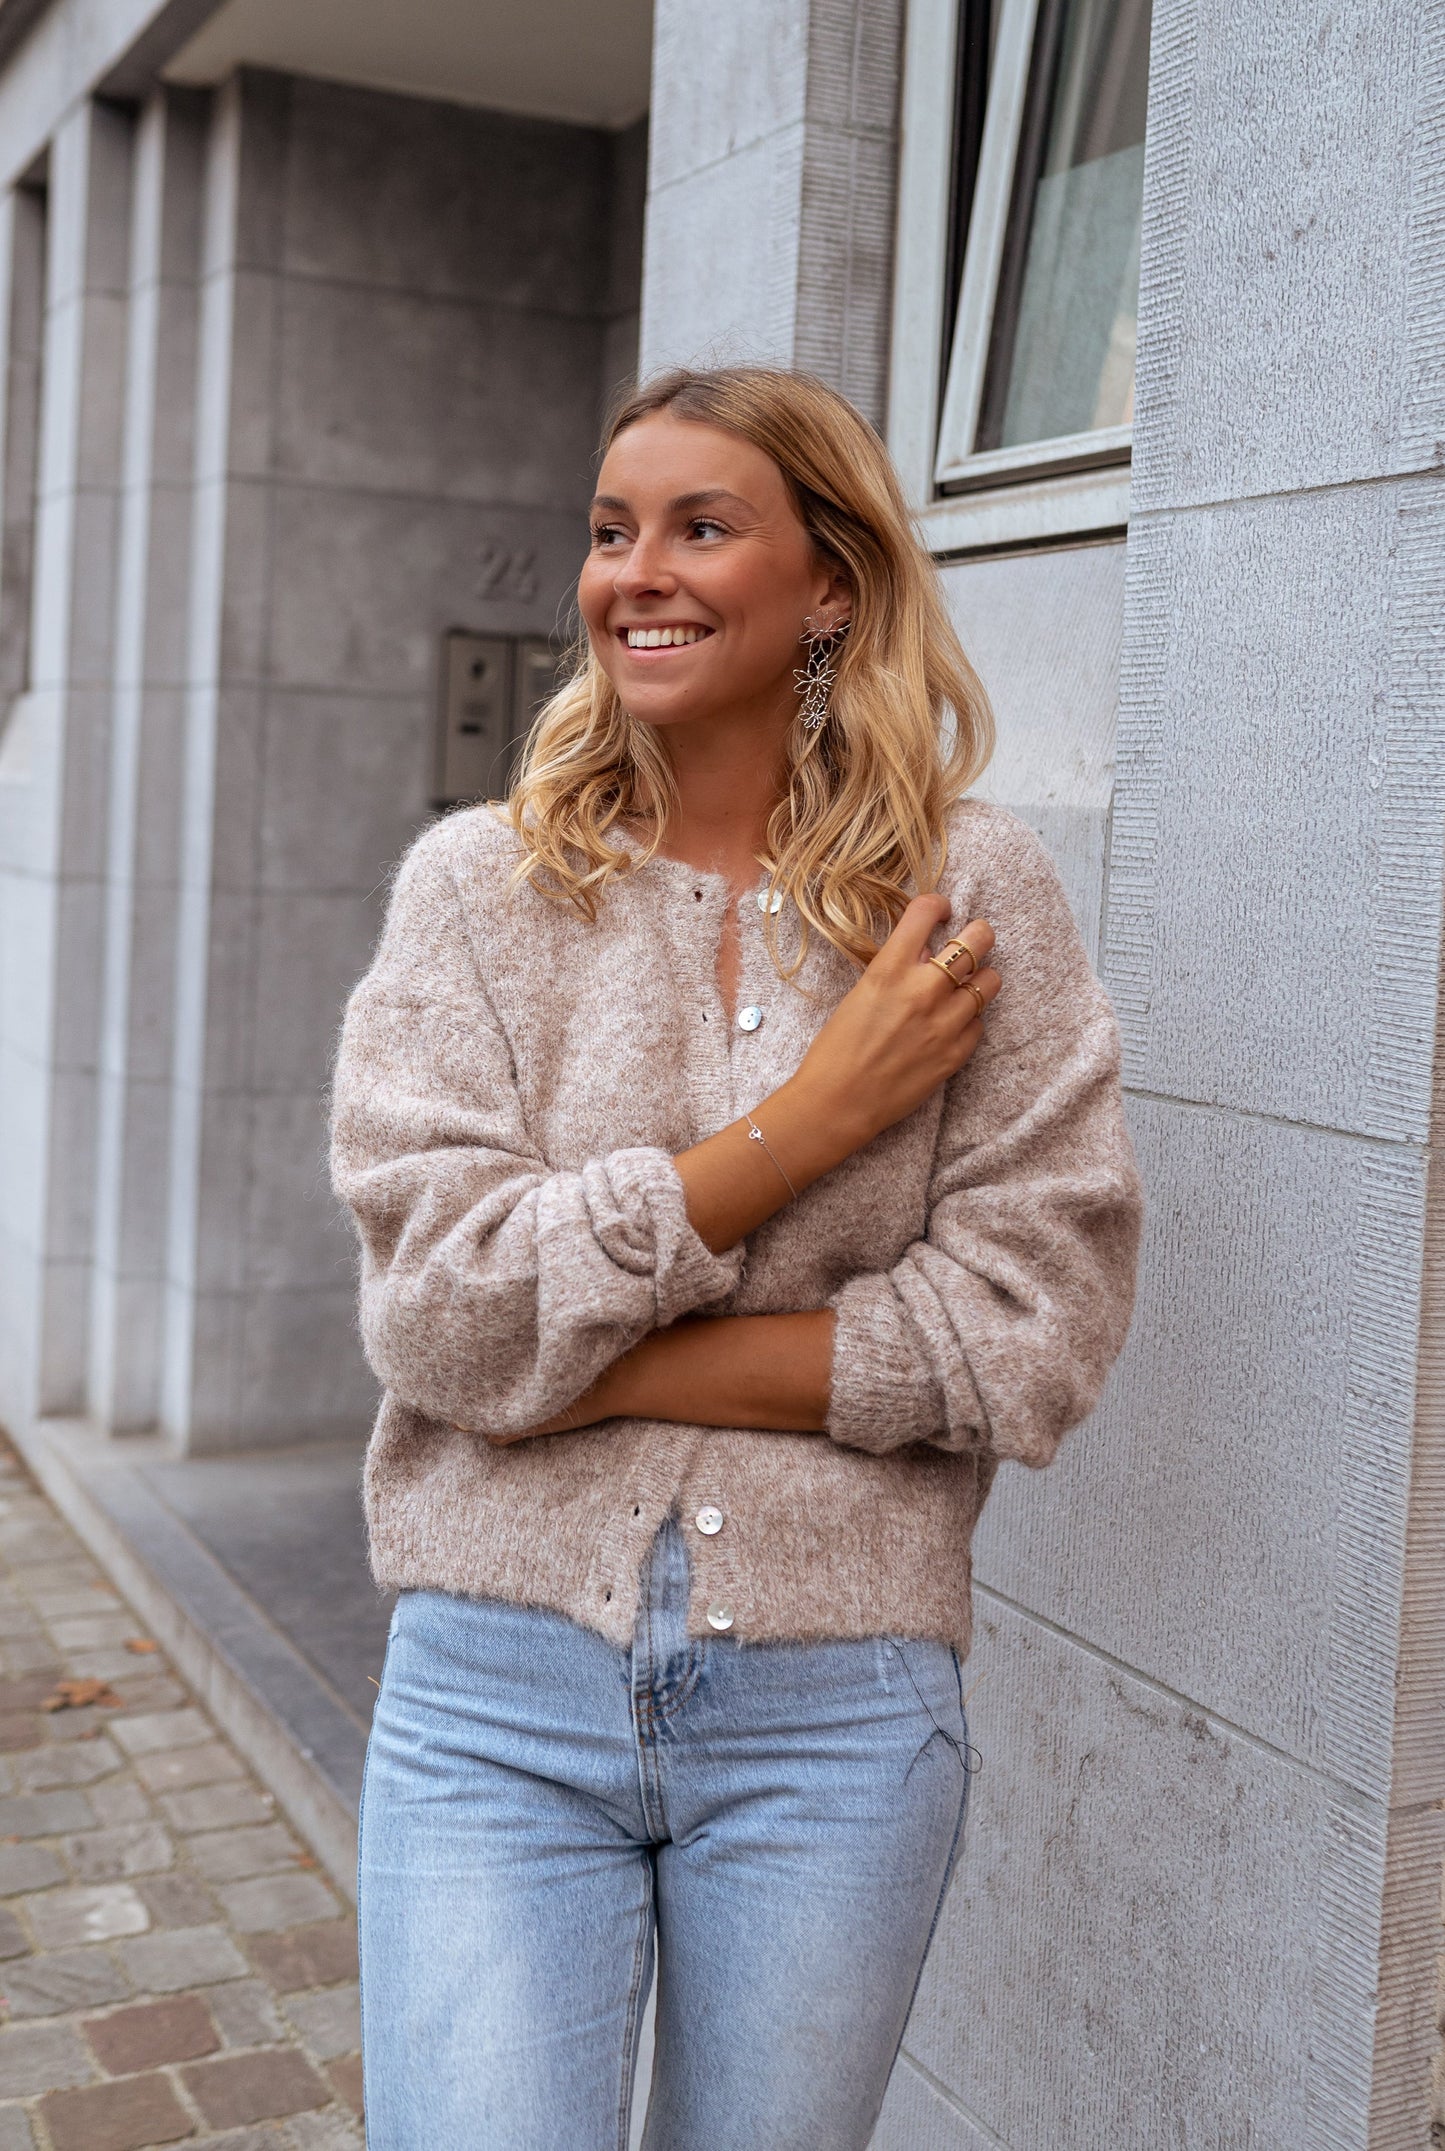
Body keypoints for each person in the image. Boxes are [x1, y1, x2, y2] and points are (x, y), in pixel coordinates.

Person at [329, 365, 1142, 2151]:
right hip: (495, 1694)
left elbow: (1035, 1322)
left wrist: (578, 1367)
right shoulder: (478, 891)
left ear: (829, 583)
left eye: (702, 527)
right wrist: (808, 1126)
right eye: (611, 531)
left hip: (836, 1711)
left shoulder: (969, 895)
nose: (637, 572)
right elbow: (441, 1311)